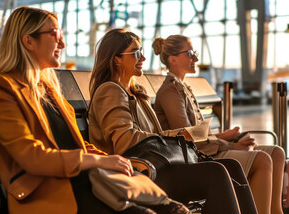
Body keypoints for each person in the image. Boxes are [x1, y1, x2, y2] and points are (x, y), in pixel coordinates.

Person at [0, 6, 188, 214]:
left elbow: (76, 145)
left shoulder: (49, 91)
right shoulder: (0, 89)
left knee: (172, 208)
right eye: (55, 35)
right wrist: (100, 159)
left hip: (82, 183)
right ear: (28, 41)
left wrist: (115, 161)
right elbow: (32, 157)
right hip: (47, 194)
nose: (62, 43)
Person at [87, 28, 256, 214]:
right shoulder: (110, 90)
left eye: (142, 51)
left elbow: (152, 136)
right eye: (136, 53)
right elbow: (124, 140)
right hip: (138, 172)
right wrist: (171, 137)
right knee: (216, 174)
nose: (143, 58)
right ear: (116, 58)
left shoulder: (135, 93)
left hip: (154, 166)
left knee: (231, 166)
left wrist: (175, 135)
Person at [151, 35, 286, 214]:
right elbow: (188, 139)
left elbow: (196, 134)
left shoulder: (182, 87)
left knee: (277, 153)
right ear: (172, 59)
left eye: (195, 53)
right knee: (262, 160)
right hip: (196, 157)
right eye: (190, 53)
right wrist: (230, 145)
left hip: (207, 148)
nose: (196, 59)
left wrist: (223, 136)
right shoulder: (170, 91)